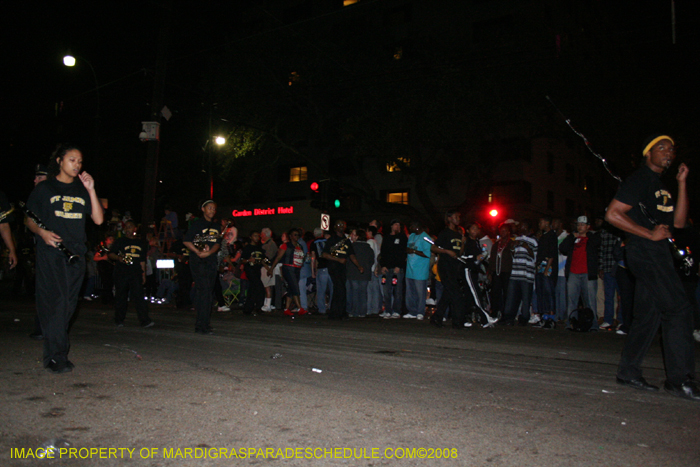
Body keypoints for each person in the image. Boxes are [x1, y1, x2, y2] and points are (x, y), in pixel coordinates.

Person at [605, 134, 699, 400]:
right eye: (662, 148)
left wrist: (681, 183)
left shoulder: (662, 186)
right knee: (679, 308)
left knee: (648, 316)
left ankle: (628, 372)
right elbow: (612, 214)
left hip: (658, 253)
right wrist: (648, 234)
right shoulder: (639, 180)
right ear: (648, 153)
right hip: (645, 253)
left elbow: (679, 223)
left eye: (671, 148)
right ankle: (680, 379)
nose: (668, 152)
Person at [25, 143, 104, 373]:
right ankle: (56, 356)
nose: (76, 165)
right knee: (57, 303)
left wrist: (91, 189)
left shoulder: (82, 189)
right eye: (72, 160)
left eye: (79, 161)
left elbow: (98, 219)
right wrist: (42, 233)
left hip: (76, 253)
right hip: (52, 251)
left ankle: (55, 351)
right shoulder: (45, 188)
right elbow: (29, 218)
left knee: (69, 305)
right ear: (59, 160)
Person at [183, 200, 222, 335]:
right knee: (204, 290)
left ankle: (204, 322)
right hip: (198, 261)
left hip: (210, 260)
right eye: (209, 208)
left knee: (207, 292)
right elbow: (186, 240)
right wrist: (197, 251)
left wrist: (210, 252)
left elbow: (217, 243)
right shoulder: (197, 224)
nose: (212, 210)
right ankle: (201, 325)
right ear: (203, 209)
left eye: (214, 209)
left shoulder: (216, 226)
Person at [108, 220, 154, 327]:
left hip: (136, 272)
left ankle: (144, 320)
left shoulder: (140, 243)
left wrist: (143, 275)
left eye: (130, 227)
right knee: (121, 296)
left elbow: (142, 260)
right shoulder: (120, 241)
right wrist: (119, 257)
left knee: (139, 296)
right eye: (126, 227)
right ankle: (119, 320)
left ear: (135, 229)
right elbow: (110, 254)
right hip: (122, 272)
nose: (128, 229)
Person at [560, 216, 601, 330]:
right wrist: (572, 237)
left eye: (582, 225)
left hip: (587, 273)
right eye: (578, 225)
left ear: (588, 226)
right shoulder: (573, 238)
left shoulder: (593, 237)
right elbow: (562, 248)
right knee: (572, 300)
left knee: (590, 301)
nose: (580, 227)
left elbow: (597, 243)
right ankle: (571, 323)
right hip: (573, 273)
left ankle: (593, 325)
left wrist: (586, 235)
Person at [430, 210, 467, 328]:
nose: (458, 218)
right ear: (450, 219)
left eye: (458, 216)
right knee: (456, 294)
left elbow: (459, 253)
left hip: (454, 267)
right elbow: (434, 248)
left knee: (448, 294)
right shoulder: (445, 233)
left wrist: (462, 243)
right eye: (455, 216)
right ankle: (457, 322)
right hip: (445, 266)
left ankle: (436, 317)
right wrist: (446, 251)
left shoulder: (458, 234)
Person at [322, 219, 363, 320]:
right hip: (334, 266)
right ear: (335, 227)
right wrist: (338, 259)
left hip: (342, 268)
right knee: (340, 288)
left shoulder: (346, 240)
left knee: (339, 289)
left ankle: (335, 313)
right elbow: (324, 254)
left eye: (343, 225)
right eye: (339, 225)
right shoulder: (332, 239)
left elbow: (351, 254)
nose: (341, 226)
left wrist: (358, 266)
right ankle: (339, 313)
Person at [269, 228, 308, 315]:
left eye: (297, 235)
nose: (296, 236)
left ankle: (286, 309)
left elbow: (301, 257)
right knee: (295, 287)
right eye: (294, 235)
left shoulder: (299, 246)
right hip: (288, 268)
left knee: (291, 289)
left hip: (297, 269)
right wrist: (271, 268)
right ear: (290, 236)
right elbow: (278, 257)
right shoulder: (285, 245)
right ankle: (299, 308)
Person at [379, 219, 407, 318]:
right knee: (386, 290)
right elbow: (383, 252)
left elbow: (403, 252)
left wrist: (399, 265)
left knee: (398, 290)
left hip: (397, 269)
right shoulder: (386, 237)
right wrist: (383, 265)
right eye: (395, 224)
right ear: (391, 226)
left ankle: (397, 310)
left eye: (399, 225)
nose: (397, 227)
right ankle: (387, 310)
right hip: (387, 268)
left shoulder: (402, 237)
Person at [404, 221, 431, 320]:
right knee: (410, 293)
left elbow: (428, 253)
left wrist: (414, 251)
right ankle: (412, 311)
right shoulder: (411, 236)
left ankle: (420, 312)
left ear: (417, 226)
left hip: (420, 270)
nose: (410, 228)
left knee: (420, 293)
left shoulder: (425, 237)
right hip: (410, 269)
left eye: (411, 226)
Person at [241, 230, 268, 315]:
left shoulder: (259, 248)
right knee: (259, 287)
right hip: (250, 269)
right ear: (251, 237)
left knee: (252, 289)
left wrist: (268, 269)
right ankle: (258, 306)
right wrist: (249, 260)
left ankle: (248, 308)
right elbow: (242, 260)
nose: (256, 238)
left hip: (257, 270)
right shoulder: (247, 248)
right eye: (255, 236)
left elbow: (262, 260)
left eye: (258, 236)